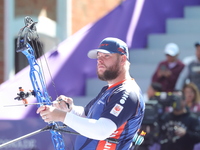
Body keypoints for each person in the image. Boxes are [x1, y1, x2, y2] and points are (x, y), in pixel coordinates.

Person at [36, 37, 145, 150]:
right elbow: (87, 115)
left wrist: (60, 116)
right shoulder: (109, 90)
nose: (99, 60)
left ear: (122, 59)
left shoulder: (127, 92)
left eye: (106, 56)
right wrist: (69, 109)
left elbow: (102, 131)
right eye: (98, 56)